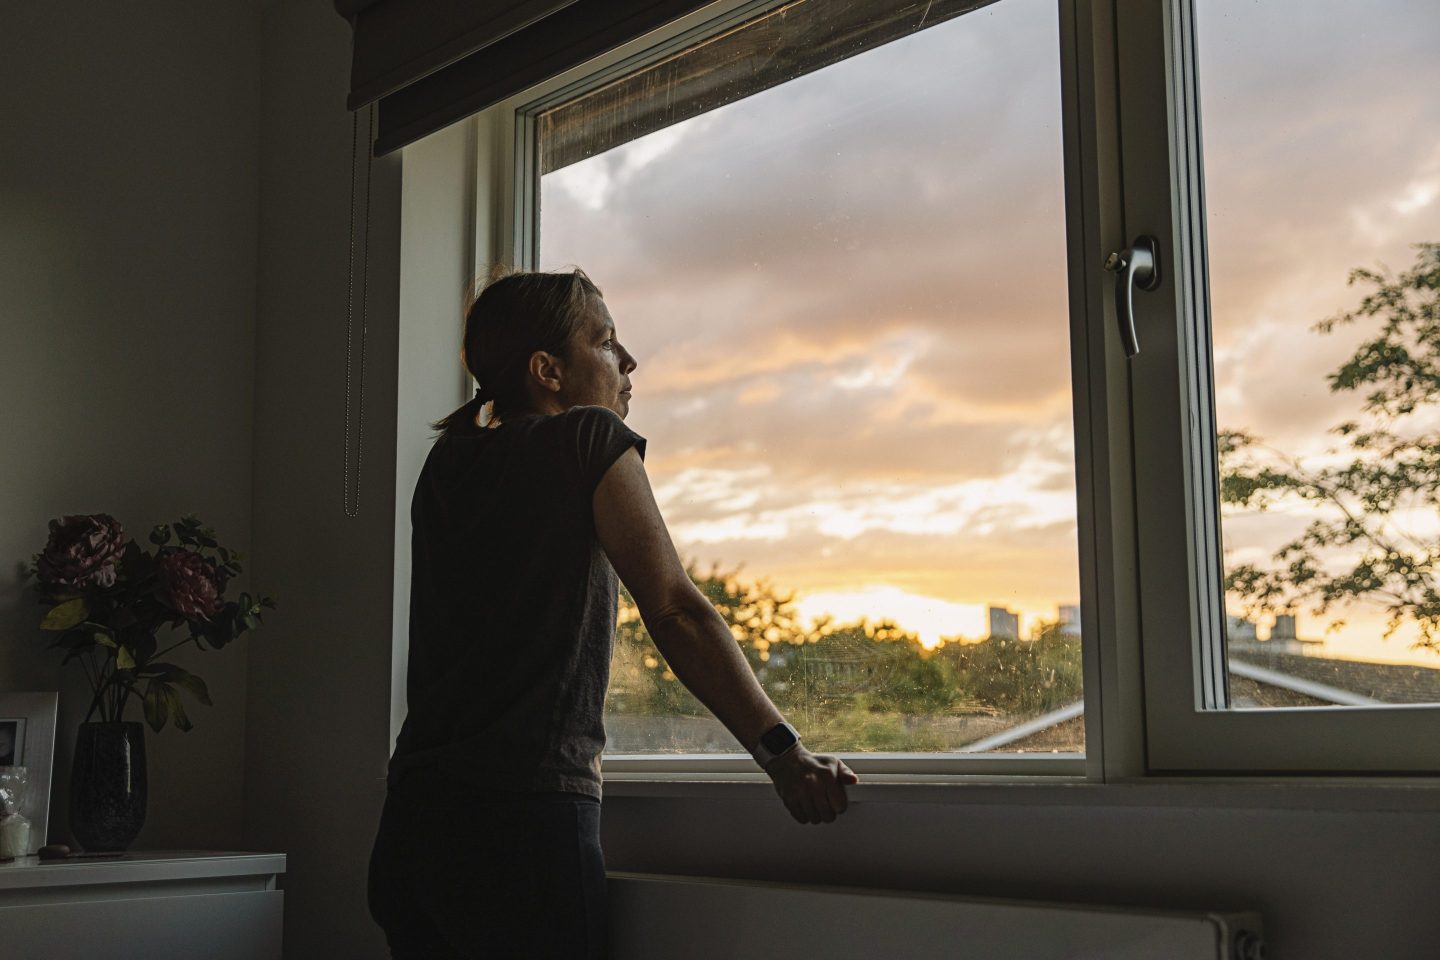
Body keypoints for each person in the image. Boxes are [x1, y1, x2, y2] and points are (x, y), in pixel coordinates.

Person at [367, 267, 858, 959]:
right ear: (549, 371)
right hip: (520, 831)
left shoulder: (448, 463)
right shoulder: (586, 439)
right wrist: (784, 755)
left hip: (412, 831)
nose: (628, 362)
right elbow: (676, 609)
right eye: (605, 341)